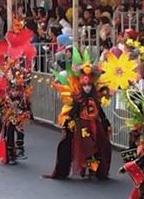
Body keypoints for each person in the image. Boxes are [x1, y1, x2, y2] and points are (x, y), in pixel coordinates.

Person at [46, 51, 112, 179]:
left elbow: (100, 111)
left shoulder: (95, 97)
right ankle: (84, 168)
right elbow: (74, 110)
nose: (87, 88)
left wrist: (105, 122)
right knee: (85, 147)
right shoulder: (78, 97)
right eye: (84, 86)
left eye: (89, 85)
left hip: (95, 124)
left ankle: (95, 169)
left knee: (99, 145)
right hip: (82, 125)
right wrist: (69, 121)